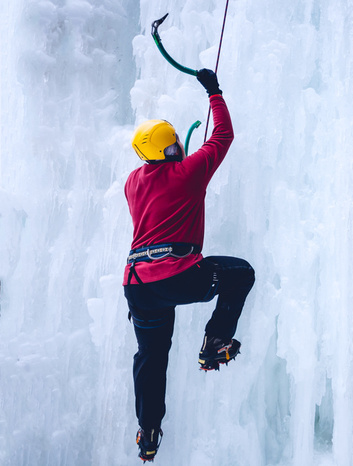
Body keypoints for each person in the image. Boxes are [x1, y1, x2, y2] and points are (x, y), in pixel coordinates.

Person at [123, 68, 255, 462]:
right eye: (176, 141)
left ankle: (148, 432)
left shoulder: (133, 181)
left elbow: (163, 179)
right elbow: (223, 137)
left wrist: (181, 163)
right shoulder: (186, 172)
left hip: (138, 286)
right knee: (241, 274)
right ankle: (216, 342)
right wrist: (214, 91)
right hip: (178, 275)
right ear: (170, 149)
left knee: (152, 356)